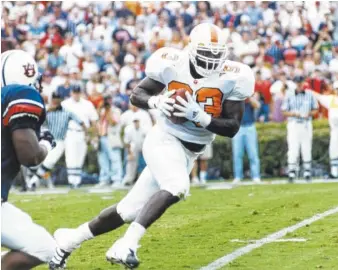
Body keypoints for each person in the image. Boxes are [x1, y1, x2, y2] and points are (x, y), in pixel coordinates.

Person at [49, 23, 254, 269]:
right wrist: (157, 101)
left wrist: (200, 117)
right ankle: (127, 244)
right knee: (177, 186)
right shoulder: (172, 63)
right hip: (164, 138)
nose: (211, 60)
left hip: (190, 150)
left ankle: (68, 240)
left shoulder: (234, 75)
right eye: (205, 53)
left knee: (127, 212)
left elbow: (232, 127)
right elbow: (137, 94)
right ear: (191, 49)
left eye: (215, 54)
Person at [1, 49, 57, 269]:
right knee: (45, 248)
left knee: (29, 230)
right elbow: (30, 156)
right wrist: (45, 143)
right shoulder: (19, 93)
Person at [27, 92, 86, 190]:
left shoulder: (67, 112)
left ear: (61, 100)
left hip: (59, 141)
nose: (55, 100)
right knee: (40, 162)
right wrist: (47, 111)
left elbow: (80, 121)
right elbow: (35, 120)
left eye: (57, 98)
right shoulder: (46, 110)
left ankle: (33, 182)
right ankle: (32, 181)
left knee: (49, 162)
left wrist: (88, 134)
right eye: (54, 98)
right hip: (45, 139)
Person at [282, 76, 319, 182]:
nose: (299, 84)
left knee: (306, 148)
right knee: (293, 148)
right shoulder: (289, 95)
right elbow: (284, 110)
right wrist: (294, 113)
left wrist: (308, 114)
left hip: (306, 123)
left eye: (300, 82)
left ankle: (307, 172)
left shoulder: (310, 94)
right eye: (297, 82)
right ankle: (292, 172)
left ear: (303, 83)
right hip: (294, 123)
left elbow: (315, 109)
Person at [61, 85, 98, 188]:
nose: (76, 94)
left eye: (78, 92)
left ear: (80, 93)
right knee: (70, 157)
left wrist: (93, 135)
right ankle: (71, 181)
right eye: (74, 92)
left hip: (83, 132)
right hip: (70, 132)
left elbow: (94, 120)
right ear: (71, 92)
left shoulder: (87, 104)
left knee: (80, 156)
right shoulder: (65, 104)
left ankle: (77, 181)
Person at [232, 93, 261, 183]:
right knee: (237, 154)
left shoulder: (249, 98)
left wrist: (248, 97)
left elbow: (258, 105)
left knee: (253, 153)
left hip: (249, 126)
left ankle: (255, 176)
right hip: (238, 127)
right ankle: (237, 176)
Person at [311, 81, 338, 178]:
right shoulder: (331, 99)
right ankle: (334, 172)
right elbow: (319, 97)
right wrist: (309, 91)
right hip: (335, 129)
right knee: (334, 150)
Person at [122, 115, 147, 186]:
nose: (136, 123)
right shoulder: (129, 129)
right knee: (130, 164)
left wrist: (144, 150)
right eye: (135, 121)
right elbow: (127, 142)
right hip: (133, 148)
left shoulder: (144, 129)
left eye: (137, 121)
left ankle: (142, 181)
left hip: (143, 148)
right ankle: (128, 180)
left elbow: (147, 141)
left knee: (143, 165)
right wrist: (130, 153)